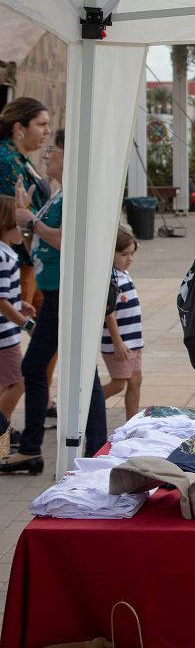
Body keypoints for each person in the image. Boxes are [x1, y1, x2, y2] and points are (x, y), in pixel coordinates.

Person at [4, 129, 108, 471]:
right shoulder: (57, 194)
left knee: (48, 367)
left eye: (54, 149)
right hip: (54, 293)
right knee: (65, 368)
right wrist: (25, 216)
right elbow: (38, 243)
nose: (47, 155)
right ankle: (75, 446)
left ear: (69, 155)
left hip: (66, 292)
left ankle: (45, 447)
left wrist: (30, 220)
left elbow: (67, 241)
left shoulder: (74, 195)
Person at [0, 97, 51, 309]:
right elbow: (10, 210)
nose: (47, 131)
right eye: (41, 124)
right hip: (17, 260)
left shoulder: (21, 159)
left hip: (32, 257)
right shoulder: (6, 159)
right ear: (19, 127)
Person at [101, 230, 144, 419]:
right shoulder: (111, 278)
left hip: (133, 341)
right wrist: (117, 342)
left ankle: (131, 423)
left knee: (136, 380)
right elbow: (108, 313)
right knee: (118, 384)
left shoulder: (123, 274)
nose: (129, 259)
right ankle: (83, 407)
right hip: (119, 344)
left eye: (132, 254)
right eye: (124, 254)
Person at [0, 197, 34, 426]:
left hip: (5, 333)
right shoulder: (3, 257)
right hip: (5, 336)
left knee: (6, 383)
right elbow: (1, 301)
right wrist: (26, 323)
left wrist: (20, 304)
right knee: (19, 382)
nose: (22, 232)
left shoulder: (6, 254)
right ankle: (3, 431)